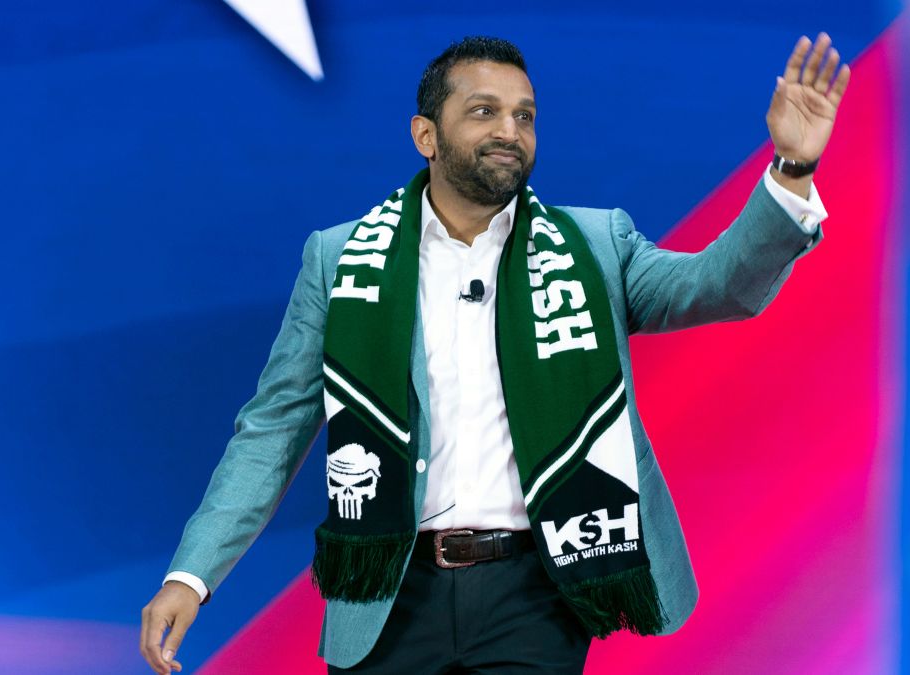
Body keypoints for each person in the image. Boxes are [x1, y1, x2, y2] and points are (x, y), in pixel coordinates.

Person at [140, 33, 851, 675]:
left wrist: (792, 169)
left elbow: (719, 285)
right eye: (484, 111)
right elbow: (272, 431)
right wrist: (191, 575)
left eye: (525, 115)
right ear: (426, 134)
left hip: (533, 595)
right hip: (389, 592)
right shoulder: (339, 259)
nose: (510, 131)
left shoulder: (597, 245)